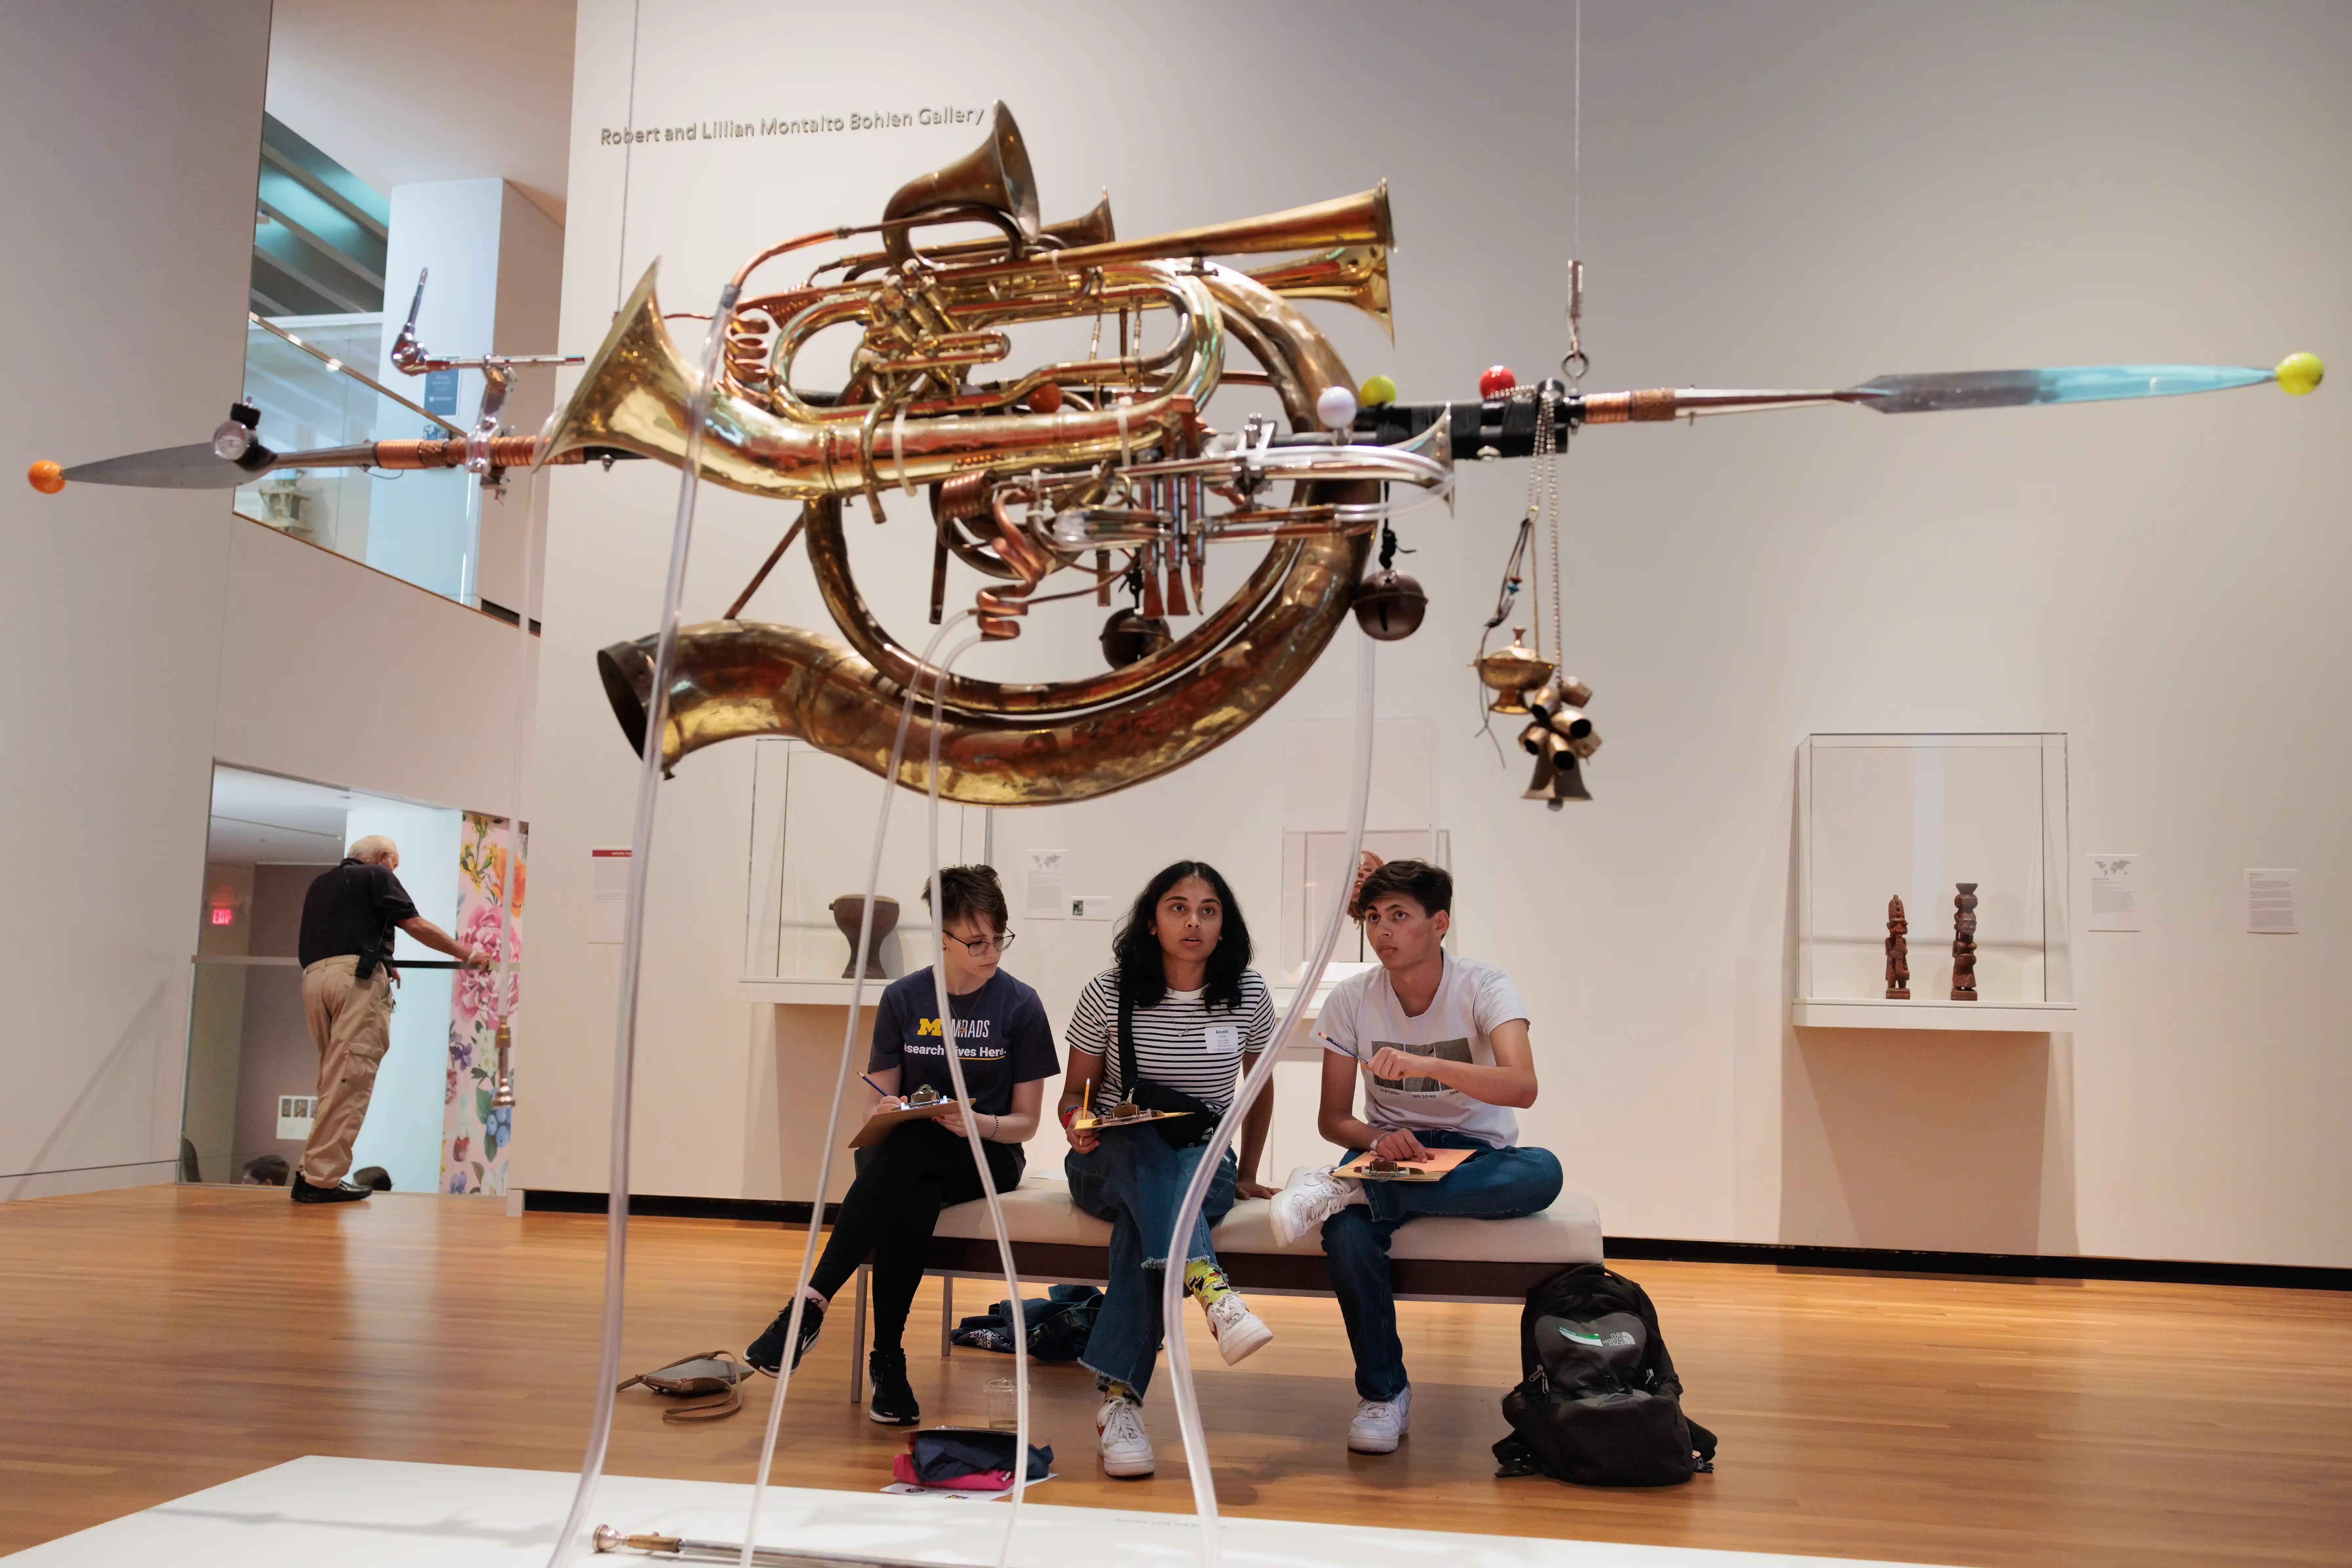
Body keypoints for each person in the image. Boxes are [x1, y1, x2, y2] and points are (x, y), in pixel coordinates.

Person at [1269, 857, 1562, 1454]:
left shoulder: (1485, 985)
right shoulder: (1351, 999)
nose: (1383, 931)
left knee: (1542, 1173)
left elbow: (1523, 1087)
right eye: (1375, 917)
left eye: (1400, 916)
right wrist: (1377, 1139)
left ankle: (1351, 1189)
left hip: (1476, 1156)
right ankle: (1383, 1395)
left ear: (1440, 923)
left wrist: (1427, 1064)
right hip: (1388, 1152)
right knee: (1348, 1237)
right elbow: (1333, 1119)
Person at [746, 866, 1057, 1427]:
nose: (991, 953)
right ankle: (887, 1363)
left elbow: (1027, 1124)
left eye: (998, 940)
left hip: (989, 1154)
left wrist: (979, 1122)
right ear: (942, 937)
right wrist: (888, 1110)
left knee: (907, 1162)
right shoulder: (903, 999)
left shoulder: (1021, 1005)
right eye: (976, 942)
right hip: (912, 1151)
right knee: (911, 1186)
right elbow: (876, 1106)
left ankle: (810, 1308)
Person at [1057, 860, 1279, 1478]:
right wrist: (1076, 1123)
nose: (1194, 921)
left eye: (1209, 910)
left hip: (1200, 1160)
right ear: (1152, 921)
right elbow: (1075, 1095)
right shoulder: (1110, 990)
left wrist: (1246, 1170)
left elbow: (1258, 1092)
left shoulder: (1249, 992)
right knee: (1141, 1152)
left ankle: (1119, 1405)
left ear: (1223, 924)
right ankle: (1212, 1289)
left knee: (1143, 1229)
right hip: (1108, 1159)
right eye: (1179, 907)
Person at [293, 836, 487, 1205]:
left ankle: (312, 1169)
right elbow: (414, 925)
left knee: (334, 1078)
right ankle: (319, 1179)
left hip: (314, 981)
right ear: (382, 859)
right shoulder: (376, 876)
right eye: (394, 865)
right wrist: (467, 953)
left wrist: (383, 959)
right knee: (351, 1078)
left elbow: (339, 935)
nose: (393, 872)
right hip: (355, 983)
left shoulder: (322, 883)